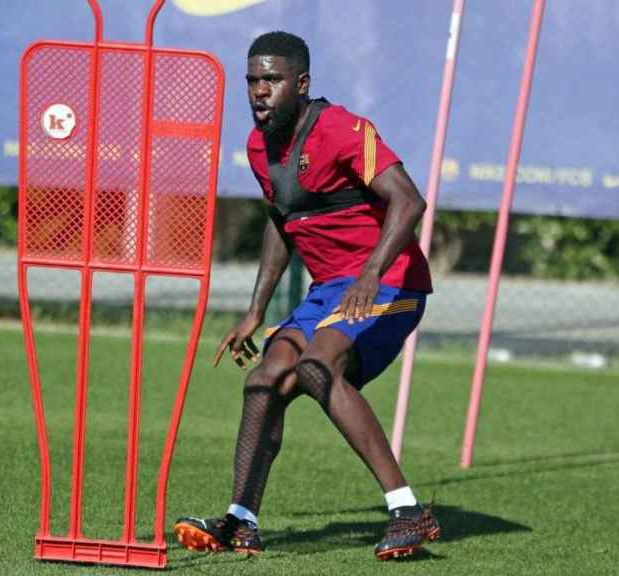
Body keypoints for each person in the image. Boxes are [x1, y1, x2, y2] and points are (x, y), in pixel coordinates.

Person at [173, 31, 439, 561]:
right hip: (329, 290)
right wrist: (256, 311)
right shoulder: (258, 147)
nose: (258, 91)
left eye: (270, 80)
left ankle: (408, 511)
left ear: (301, 83)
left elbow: (409, 202)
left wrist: (369, 274)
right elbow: (282, 221)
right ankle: (240, 523)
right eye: (252, 80)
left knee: (318, 367)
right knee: (265, 379)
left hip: (390, 282)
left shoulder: (341, 129)